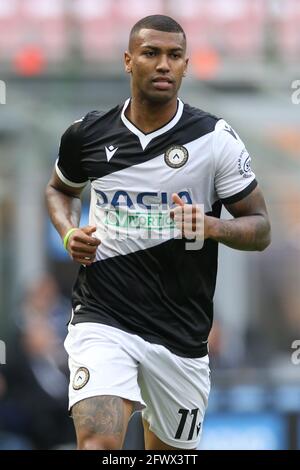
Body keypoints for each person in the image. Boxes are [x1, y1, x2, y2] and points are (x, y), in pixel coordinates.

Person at [45, 15, 271, 450]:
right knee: (98, 445)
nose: (163, 64)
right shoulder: (88, 134)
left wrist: (211, 226)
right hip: (104, 318)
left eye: (174, 55)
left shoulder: (215, 139)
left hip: (181, 334)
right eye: (151, 54)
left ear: (186, 65)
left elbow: (260, 228)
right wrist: (68, 232)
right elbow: (59, 189)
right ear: (129, 61)